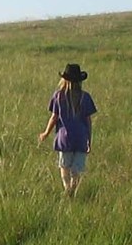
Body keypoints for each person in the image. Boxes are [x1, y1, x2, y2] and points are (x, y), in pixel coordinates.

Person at [38, 63, 98, 197]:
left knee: (64, 166)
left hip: (64, 138)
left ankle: (67, 188)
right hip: (81, 138)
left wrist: (45, 133)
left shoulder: (58, 96)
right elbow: (88, 121)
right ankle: (73, 189)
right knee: (76, 169)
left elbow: (54, 118)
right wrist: (89, 139)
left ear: (64, 79)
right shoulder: (85, 97)